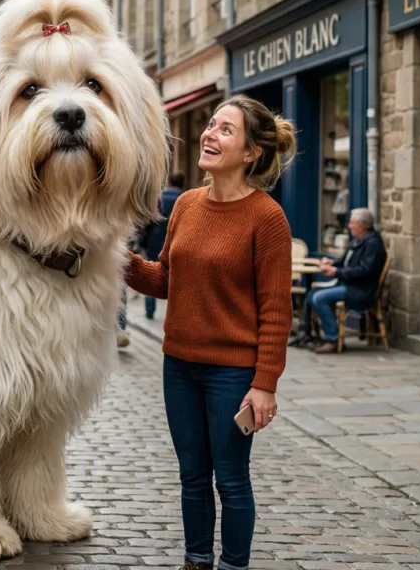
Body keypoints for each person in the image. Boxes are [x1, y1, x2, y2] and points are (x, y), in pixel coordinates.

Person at [125, 95, 295, 570]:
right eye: (211, 124)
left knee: (231, 479)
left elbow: (276, 310)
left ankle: (233, 565)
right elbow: (167, 279)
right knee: (192, 476)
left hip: (232, 373)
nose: (210, 134)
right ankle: (196, 560)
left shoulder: (267, 218)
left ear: (250, 153)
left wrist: (265, 384)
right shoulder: (186, 205)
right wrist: (120, 261)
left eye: (225, 129)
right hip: (179, 366)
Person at [306, 207, 388, 354]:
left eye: (352, 223)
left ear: (361, 226)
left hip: (361, 290)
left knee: (319, 297)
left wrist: (337, 272)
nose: (349, 226)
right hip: (350, 285)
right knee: (312, 295)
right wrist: (332, 263)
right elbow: (345, 262)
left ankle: (333, 340)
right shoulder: (357, 241)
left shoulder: (373, 244)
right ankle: (320, 335)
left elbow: (364, 270)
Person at [138, 173, 184, 320]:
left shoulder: (159, 198)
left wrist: (144, 241)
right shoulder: (186, 199)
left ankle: (150, 309)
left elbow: (148, 221)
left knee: (152, 272)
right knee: (177, 277)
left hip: (155, 241)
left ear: (169, 182)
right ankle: (175, 312)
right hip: (178, 242)